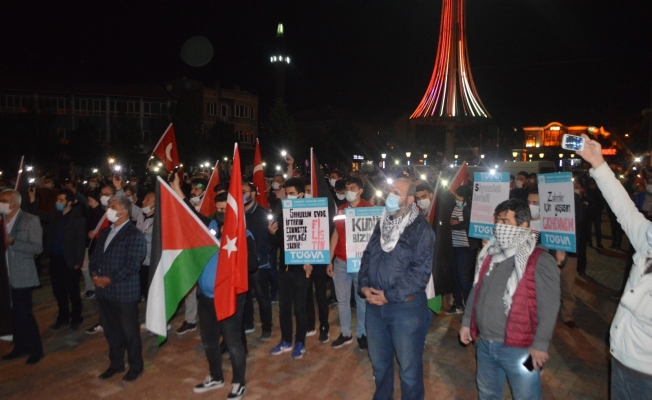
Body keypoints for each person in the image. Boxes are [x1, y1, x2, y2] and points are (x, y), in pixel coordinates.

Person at [460, 198, 560, 400]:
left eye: (505, 222)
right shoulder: (490, 253)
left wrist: (540, 344)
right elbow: (477, 290)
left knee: (526, 395)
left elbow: (549, 307)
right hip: (486, 344)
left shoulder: (539, 259)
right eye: (497, 221)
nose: (499, 227)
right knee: (487, 393)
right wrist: (465, 323)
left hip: (521, 350)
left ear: (523, 225)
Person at [577, 135, 652, 399]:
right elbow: (625, 210)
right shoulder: (648, 238)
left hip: (645, 373)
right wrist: (598, 163)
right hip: (621, 358)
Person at [358, 178, 435, 400]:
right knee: (380, 365)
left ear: (410, 200)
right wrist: (364, 287)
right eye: (389, 191)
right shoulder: (383, 222)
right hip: (374, 307)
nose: (389, 195)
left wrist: (388, 296)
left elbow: (420, 274)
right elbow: (367, 256)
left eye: (395, 192)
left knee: (409, 371)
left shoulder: (421, 230)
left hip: (405, 310)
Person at [194, 192, 256, 400]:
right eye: (218, 209)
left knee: (232, 341)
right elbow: (189, 213)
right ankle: (216, 376)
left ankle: (239, 383)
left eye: (224, 210)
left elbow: (253, 265)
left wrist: (236, 255)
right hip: (206, 297)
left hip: (229, 296)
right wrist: (177, 191)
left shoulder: (244, 235)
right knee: (209, 341)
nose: (220, 213)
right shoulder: (209, 228)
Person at [89, 195, 147, 382]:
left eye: (112, 207)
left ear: (124, 211)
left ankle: (136, 367)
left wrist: (109, 279)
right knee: (111, 331)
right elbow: (96, 256)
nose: (108, 210)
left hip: (123, 292)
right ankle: (116, 364)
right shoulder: (106, 232)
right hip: (104, 291)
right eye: (108, 206)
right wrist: (94, 275)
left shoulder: (134, 234)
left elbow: (133, 264)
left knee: (130, 332)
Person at [268, 177, 312, 359]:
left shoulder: (311, 213)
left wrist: (311, 262)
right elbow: (274, 244)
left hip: (302, 269)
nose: (288, 197)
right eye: (287, 194)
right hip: (284, 269)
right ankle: (286, 340)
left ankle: (300, 342)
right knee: (284, 308)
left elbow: (318, 241)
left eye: (292, 194)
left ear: (301, 194)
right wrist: (271, 233)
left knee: (299, 308)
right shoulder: (282, 215)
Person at [327, 176, 371, 350]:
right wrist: (329, 260)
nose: (349, 192)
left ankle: (362, 333)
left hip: (360, 263)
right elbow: (336, 234)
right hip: (341, 262)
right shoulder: (341, 210)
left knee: (362, 300)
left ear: (360, 190)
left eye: (352, 188)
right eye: (347, 188)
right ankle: (345, 333)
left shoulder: (369, 209)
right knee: (342, 300)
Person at [0, 189, 44, 365]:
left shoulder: (30, 220)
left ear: (14, 204)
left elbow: (37, 248)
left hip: (22, 275)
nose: (1, 203)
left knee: (24, 314)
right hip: (4, 276)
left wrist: (14, 242)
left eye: (3, 200)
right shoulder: (1, 220)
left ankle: (35, 349)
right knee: (11, 315)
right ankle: (20, 346)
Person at [43, 188, 86, 331]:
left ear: (70, 202)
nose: (58, 202)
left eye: (61, 200)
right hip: (56, 259)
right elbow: (39, 215)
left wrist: (78, 262)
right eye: (58, 199)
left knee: (73, 291)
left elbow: (81, 243)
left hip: (70, 260)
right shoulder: (56, 217)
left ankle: (76, 317)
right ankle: (63, 317)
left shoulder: (77, 219)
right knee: (58, 291)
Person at [242, 182, 273, 341]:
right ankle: (248, 323)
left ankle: (267, 327)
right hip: (241, 263)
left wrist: (260, 255)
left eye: (244, 192)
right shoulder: (236, 213)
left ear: (253, 193)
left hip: (260, 263)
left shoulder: (262, 213)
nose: (241, 194)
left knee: (262, 296)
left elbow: (269, 239)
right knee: (244, 296)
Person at [446, 185, 480, 315]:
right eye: (456, 198)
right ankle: (458, 304)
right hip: (452, 246)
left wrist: (458, 225)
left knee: (464, 278)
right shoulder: (451, 207)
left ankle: (469, 306)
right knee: (454, 277)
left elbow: (472, 224)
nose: (458, 200)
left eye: (460, 198)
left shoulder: (472, 209)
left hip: (466, 247)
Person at [136, 191, 155, 301]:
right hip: (139, 262)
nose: (143, 202)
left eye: (148, 200)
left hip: (150, 263)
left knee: (151, 294)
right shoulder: (140, 216)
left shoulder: (159, 220)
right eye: (144, 199)